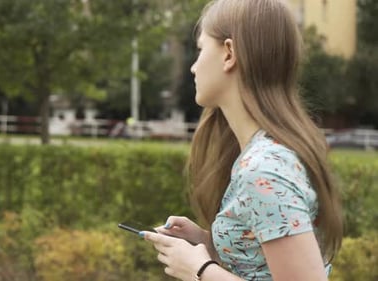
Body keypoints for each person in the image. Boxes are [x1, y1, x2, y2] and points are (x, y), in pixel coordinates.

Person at [140, 0, 343, 280]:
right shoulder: (266, 154)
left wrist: (199, 270)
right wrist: (209, 244)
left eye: (200, 50)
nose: (193, 67)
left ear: (229, 54)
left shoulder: (265, 169)